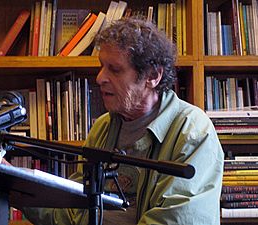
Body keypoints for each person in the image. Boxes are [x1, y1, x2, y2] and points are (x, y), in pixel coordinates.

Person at [22, 17, 224, 224]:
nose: (100, 78)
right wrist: (19, 189)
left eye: (115, 69)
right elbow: (74, 213)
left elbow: (177, 219)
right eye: (101, 66)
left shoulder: (192, 131)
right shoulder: (103, 128)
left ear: (153, 76)